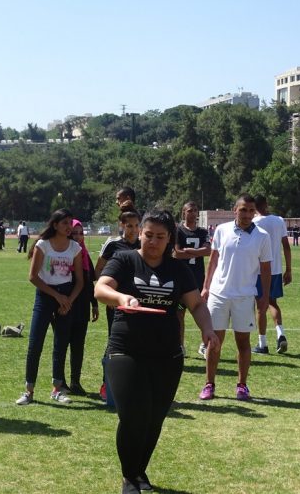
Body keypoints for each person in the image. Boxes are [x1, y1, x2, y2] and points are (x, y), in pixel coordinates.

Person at [95, 209, 219, 494]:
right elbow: (100, 289)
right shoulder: (124, 260)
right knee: (133, 415)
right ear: (140, 233)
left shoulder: (178, 269)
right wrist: (121, 297)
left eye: (160, 237)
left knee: (154, 418)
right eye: (148, 235)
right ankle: (129, 477)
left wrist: (208, 329)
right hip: (126, 351)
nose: (152, 241)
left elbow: (196, 304)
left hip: (167, 354)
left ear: (169, 239)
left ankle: (139, 471)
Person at [199, 194, 272, 401]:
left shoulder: (262, 236)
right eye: (243, 210)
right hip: (219, 294)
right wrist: (206, 287)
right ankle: (209, 384)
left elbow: (266, 269)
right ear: (235, 210)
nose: (247, 214)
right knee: (214, 341)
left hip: (245, 296)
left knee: (243, 342)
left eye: (251, 211)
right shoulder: (221, 230)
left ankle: (242, 385)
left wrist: (265, 296)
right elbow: (213, 261)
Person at [15, 209, 83, 406]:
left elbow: (79, 281)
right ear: (55, 225)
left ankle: (57, 389)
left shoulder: (75, 248)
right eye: (64, 223)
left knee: (61, 344)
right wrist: (57, 296)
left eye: (70, 222)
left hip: (66, 297)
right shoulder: (43, 245)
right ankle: (29, 391)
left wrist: (68, 300)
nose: (69, 227)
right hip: (45, 296)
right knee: (35, 343)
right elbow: (33, 277)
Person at [94, 205, 141, 401]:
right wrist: (111, 296)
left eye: (136, 225)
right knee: (115, 343)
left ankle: (134, 385)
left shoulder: (143, 245)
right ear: (121, 225)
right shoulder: (113, 245)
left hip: (139, 305)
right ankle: (107, 384)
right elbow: (98, 271)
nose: (133, 230)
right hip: (117, 305)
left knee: (138, 343)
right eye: (129, 225)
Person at [60, 219, 98, 395]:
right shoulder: (63, 254)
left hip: (82, 306)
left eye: (80, 233)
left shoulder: (84, 254)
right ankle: (60, 382)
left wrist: (94, 304)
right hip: (65, 305)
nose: (77, 237)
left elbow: (89, 281)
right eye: (74, 233)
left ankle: (75, 382)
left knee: (78, 345)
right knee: (62, 344)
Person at [251, 195, 292, 354]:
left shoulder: (254, 222)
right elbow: (286, 246)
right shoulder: (279, 220)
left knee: (261, 306)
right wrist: (288, 269)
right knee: (272, 302)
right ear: (266, 204)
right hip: (276, 269)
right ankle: (280, 334)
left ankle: (262, 343)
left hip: (259, 270)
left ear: (254, 207)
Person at [173, 201, 211, 357]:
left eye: (195, 210)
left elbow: (208, 251)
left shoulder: (202, 231)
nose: (193, 213)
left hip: (198, 279)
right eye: (190, 210)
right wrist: (197, 251)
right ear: (184, 212)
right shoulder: (178, 231)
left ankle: (204, 344)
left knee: (202, 313)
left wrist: (189, 251)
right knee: (179, 314)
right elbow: (177, 253)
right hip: (181, 279)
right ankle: (180, 345)